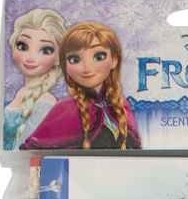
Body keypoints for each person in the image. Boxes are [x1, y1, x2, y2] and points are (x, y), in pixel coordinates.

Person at [21, 21, 141, 150]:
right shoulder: (63, 109)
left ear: (114, 60)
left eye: (99, 57)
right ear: (65, 66)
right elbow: (33, 152)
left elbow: (136, 151)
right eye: (75, 60)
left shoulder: (122, 105)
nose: (87, 68)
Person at [3, 8, 66, 150]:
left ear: (57, 58)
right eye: (23, 46)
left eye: (45, 50)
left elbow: (26, 149)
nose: (30, 58)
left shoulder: (45, 101)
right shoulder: (20, 93)